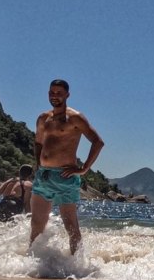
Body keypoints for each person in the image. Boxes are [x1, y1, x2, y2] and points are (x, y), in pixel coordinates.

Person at [29, 79, 104, 254]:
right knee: (36, 224)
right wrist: (38, 164)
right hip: (44, 176)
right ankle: (31, 264)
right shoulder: (42, 118)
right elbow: (38, 142)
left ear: (67, 95)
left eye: (58, 93)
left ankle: (76, 266)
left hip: (65, 177)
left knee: (70, 225)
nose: (54, 96)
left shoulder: (75, 118)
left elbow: (98, 142)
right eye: (51, 92)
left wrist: (84, 168)